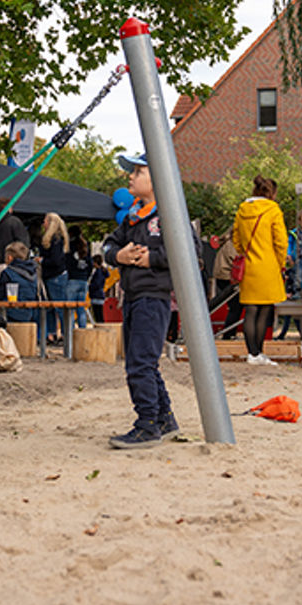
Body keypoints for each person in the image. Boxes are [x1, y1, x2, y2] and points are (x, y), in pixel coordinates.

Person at [102, 153, 178, 448]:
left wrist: (153, 259)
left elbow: (188, 253)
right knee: (145, 361)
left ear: (157, 178)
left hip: (153, 297)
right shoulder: (134, 216)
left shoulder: (169, 215)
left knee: (140, 364)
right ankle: (164, 417)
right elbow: (110, 243)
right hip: (133, 297)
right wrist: (117, 256)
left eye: (138, 171)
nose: (131, 177)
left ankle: (147, 424)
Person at [232, 176, 288, 366]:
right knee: (265, 310)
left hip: (248, 266)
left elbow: (236, 239)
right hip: (268, 265)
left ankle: (252, 354)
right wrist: (279, 263)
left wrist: (244, 252)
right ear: (272, 193)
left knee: (250, 310)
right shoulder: (273, 210)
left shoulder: (242, 210)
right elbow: (281, 241)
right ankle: (259, 352)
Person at [37, 212, 68, 343]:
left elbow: (56, 261)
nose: (43, 224)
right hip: (52, 276)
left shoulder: (56, 240)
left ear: (50, 223)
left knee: (59, 308)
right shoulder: (56, 240)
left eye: (45, 221)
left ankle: (66, 335)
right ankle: (52, 334)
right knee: (49, 307)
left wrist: (41, 261)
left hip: (55, 276)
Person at [0, 240, 39, 321]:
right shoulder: (34, 271)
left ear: (9, 257)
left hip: (12, 314)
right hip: (32, 314)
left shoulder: (7, 273)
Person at [66, 226, 92, 329]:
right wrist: (86, 276)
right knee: (81, 310)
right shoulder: (85, 246)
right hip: (83, 280)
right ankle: (82, 332)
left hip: (72, 279)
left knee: (70, 310)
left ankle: (71, 335)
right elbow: (90, 264)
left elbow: (67, 262)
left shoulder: (69, 246)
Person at [88, 254, 109, 323]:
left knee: (98, 316)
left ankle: (100, 329)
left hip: (96, 295)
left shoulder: (98, 272)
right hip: (100, 295)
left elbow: (96, 283)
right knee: (99, 315)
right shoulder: (102, 271)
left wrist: (89, 286)